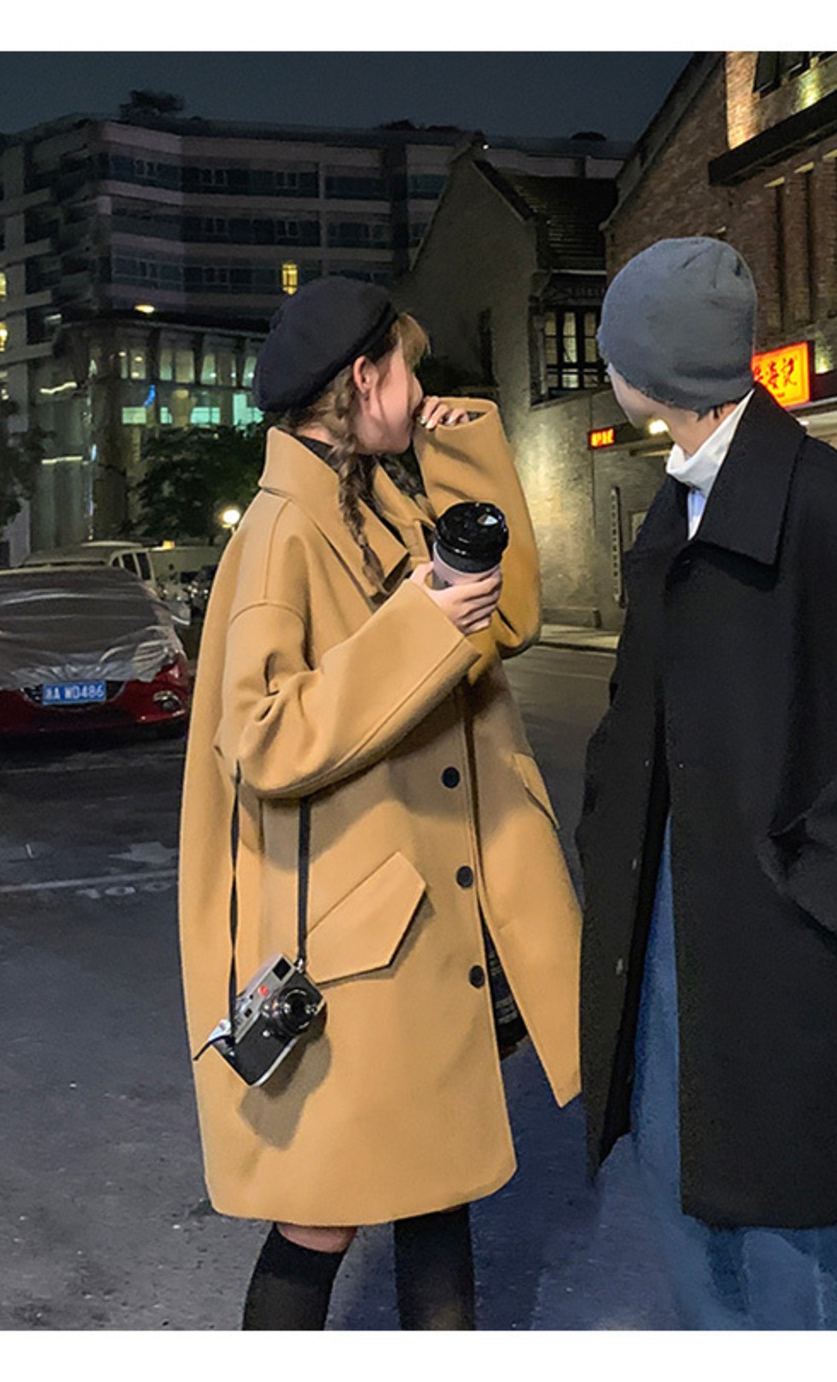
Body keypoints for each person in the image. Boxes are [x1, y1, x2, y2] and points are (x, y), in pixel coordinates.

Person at [576, 238, 837, 1330]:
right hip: (674, 900)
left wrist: (817, 873)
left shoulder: (824, 505)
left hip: (772, 915)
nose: (605, 368)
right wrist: (607, 828)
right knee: (672, 1155)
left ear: (653, 366)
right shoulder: (681, 502)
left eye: (614, 348)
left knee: (778, 1200)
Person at [178, 277, 582, 1330]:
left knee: (438, 1189)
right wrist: (422, 626)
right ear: (362, 377)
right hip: (357, 937)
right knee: (322, 1218)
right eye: (408, 365)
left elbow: (509, 619)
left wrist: (462, 454)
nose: (419, 382)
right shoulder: (281, 532)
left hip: (429, 915)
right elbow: (263, 735)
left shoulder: (380, 503)